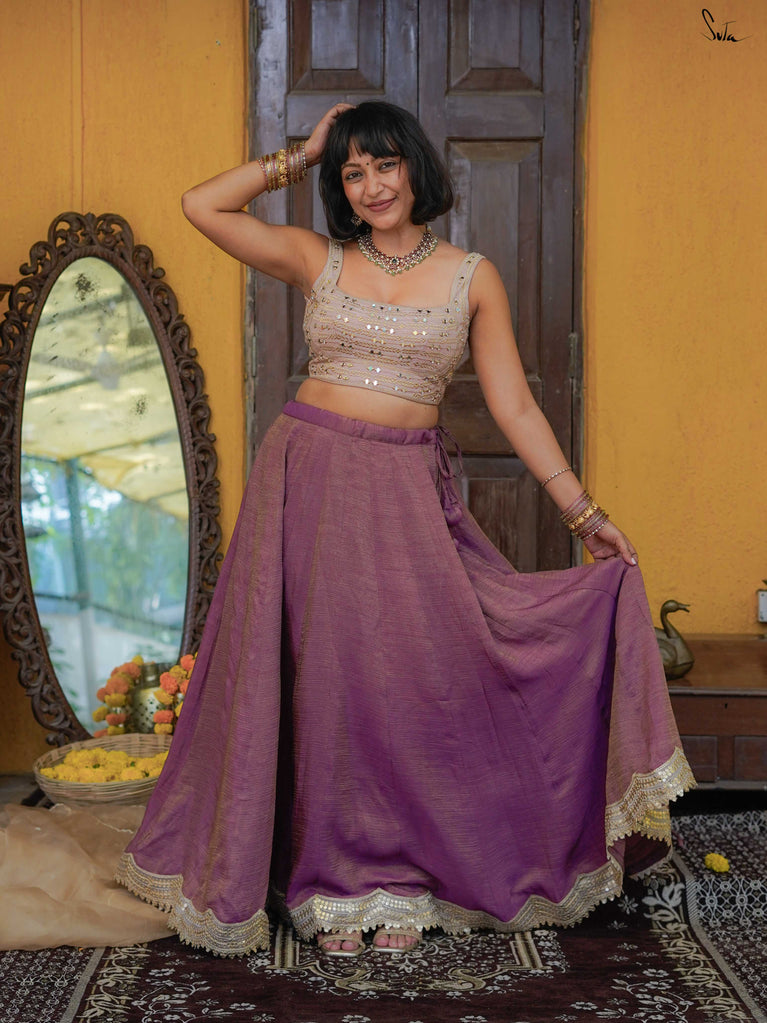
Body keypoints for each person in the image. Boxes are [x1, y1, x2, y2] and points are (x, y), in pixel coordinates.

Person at [116, 101, 694, 957]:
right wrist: (302, 154)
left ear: (414, 167)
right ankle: (334, 883)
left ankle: (402, 873)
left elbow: (514, 405)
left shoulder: (471, 277)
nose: (371, 185)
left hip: (400, 492)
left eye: (384, 164)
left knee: (408, 679)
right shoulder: (318, 258)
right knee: (327, 681)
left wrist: (584, 513)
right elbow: (202, 205)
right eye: (352, 173)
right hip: (307, 483)